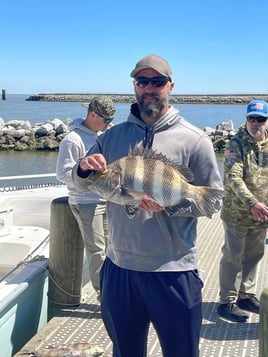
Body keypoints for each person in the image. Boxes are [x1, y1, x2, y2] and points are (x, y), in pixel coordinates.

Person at [71, 54, 224, 357]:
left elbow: (212, 200)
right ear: (135, 86)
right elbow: (82, 182)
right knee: (125, 351)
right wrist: (83, 168)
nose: (150, 88)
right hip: (119, 270)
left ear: (171, 86)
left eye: (158, 82)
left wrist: (169, 205)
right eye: (143, 82)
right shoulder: (111, 137)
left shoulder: (195, 140)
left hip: (174, 272)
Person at [56, 95, 115, 298]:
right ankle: (104, 296)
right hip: (86, 202)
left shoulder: (102, 136)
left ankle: (112, 290)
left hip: (106, 200)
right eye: (106, 119)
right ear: (92, 114)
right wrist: (87, 176)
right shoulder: (72, 140)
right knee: (97, 250)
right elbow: (63, 174)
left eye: (111, 120)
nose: (109, 124)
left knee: (112, 247)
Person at [217, 99, 268, 323]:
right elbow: (233, 178)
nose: (255, 123)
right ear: (246, 119)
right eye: (251, 118)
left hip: (262, 215)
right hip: (237, 213)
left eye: (260, 119)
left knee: (254, 256)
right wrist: (251, 203)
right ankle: (226, 301)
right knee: (232, 257)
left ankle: (245, 295)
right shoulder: (235, 144)